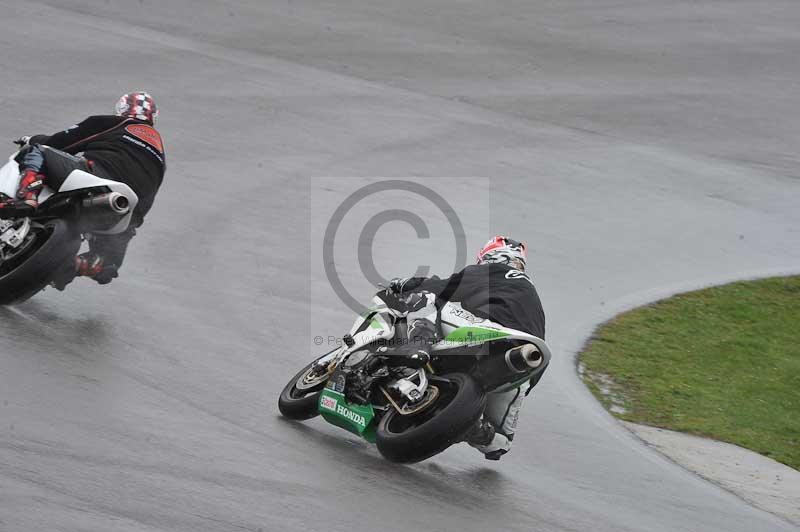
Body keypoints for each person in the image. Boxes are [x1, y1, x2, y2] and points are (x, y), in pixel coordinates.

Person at [383, 236, 547, 460]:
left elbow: (442, 287)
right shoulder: (533, 296)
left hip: (489, 331)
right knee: (500, 444)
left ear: (490, 256)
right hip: (523, 363)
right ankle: (474, 428)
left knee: (432, 303)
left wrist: (405, 284)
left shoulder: (493, 271)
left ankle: (415, 348)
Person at [0, 91, 166, 285]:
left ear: (121, 110)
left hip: (95, 176)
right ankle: (82, 264)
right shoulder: (160, 157)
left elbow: (60, 142)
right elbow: (147, 201)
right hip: (126, 208)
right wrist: (126, 231)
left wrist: (31, 139)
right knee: (107, 265)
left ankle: (26, 198)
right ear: (153, 118)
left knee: (39, 151)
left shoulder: (117, 123)